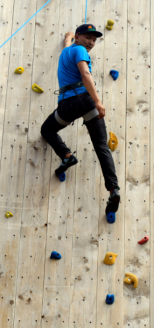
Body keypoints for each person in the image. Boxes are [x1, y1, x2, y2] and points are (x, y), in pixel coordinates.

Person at [41, 23, 120, 215]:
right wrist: (98, 101)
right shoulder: (81, 52)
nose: (91, 42)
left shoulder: (69, 50)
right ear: (78, 38)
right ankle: (113, 189)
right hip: (86, 101)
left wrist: (68, 37)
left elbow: (67, 46)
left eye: (94, 40)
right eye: (88, 38)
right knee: (101, 146)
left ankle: (67, 156)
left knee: (48, 130)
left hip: (69, 104)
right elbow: (85, 73)